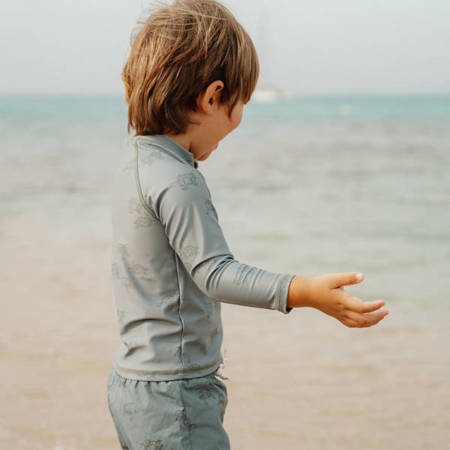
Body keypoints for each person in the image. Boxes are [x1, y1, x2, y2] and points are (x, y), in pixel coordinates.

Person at [106, 0, 390, 448]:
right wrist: (305, 292)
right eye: (240, 104)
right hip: (176, 395)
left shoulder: (134, 163)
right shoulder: (178, 179)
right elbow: (215, 273)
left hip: (134, 384)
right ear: (212, 97)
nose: (238, 119)